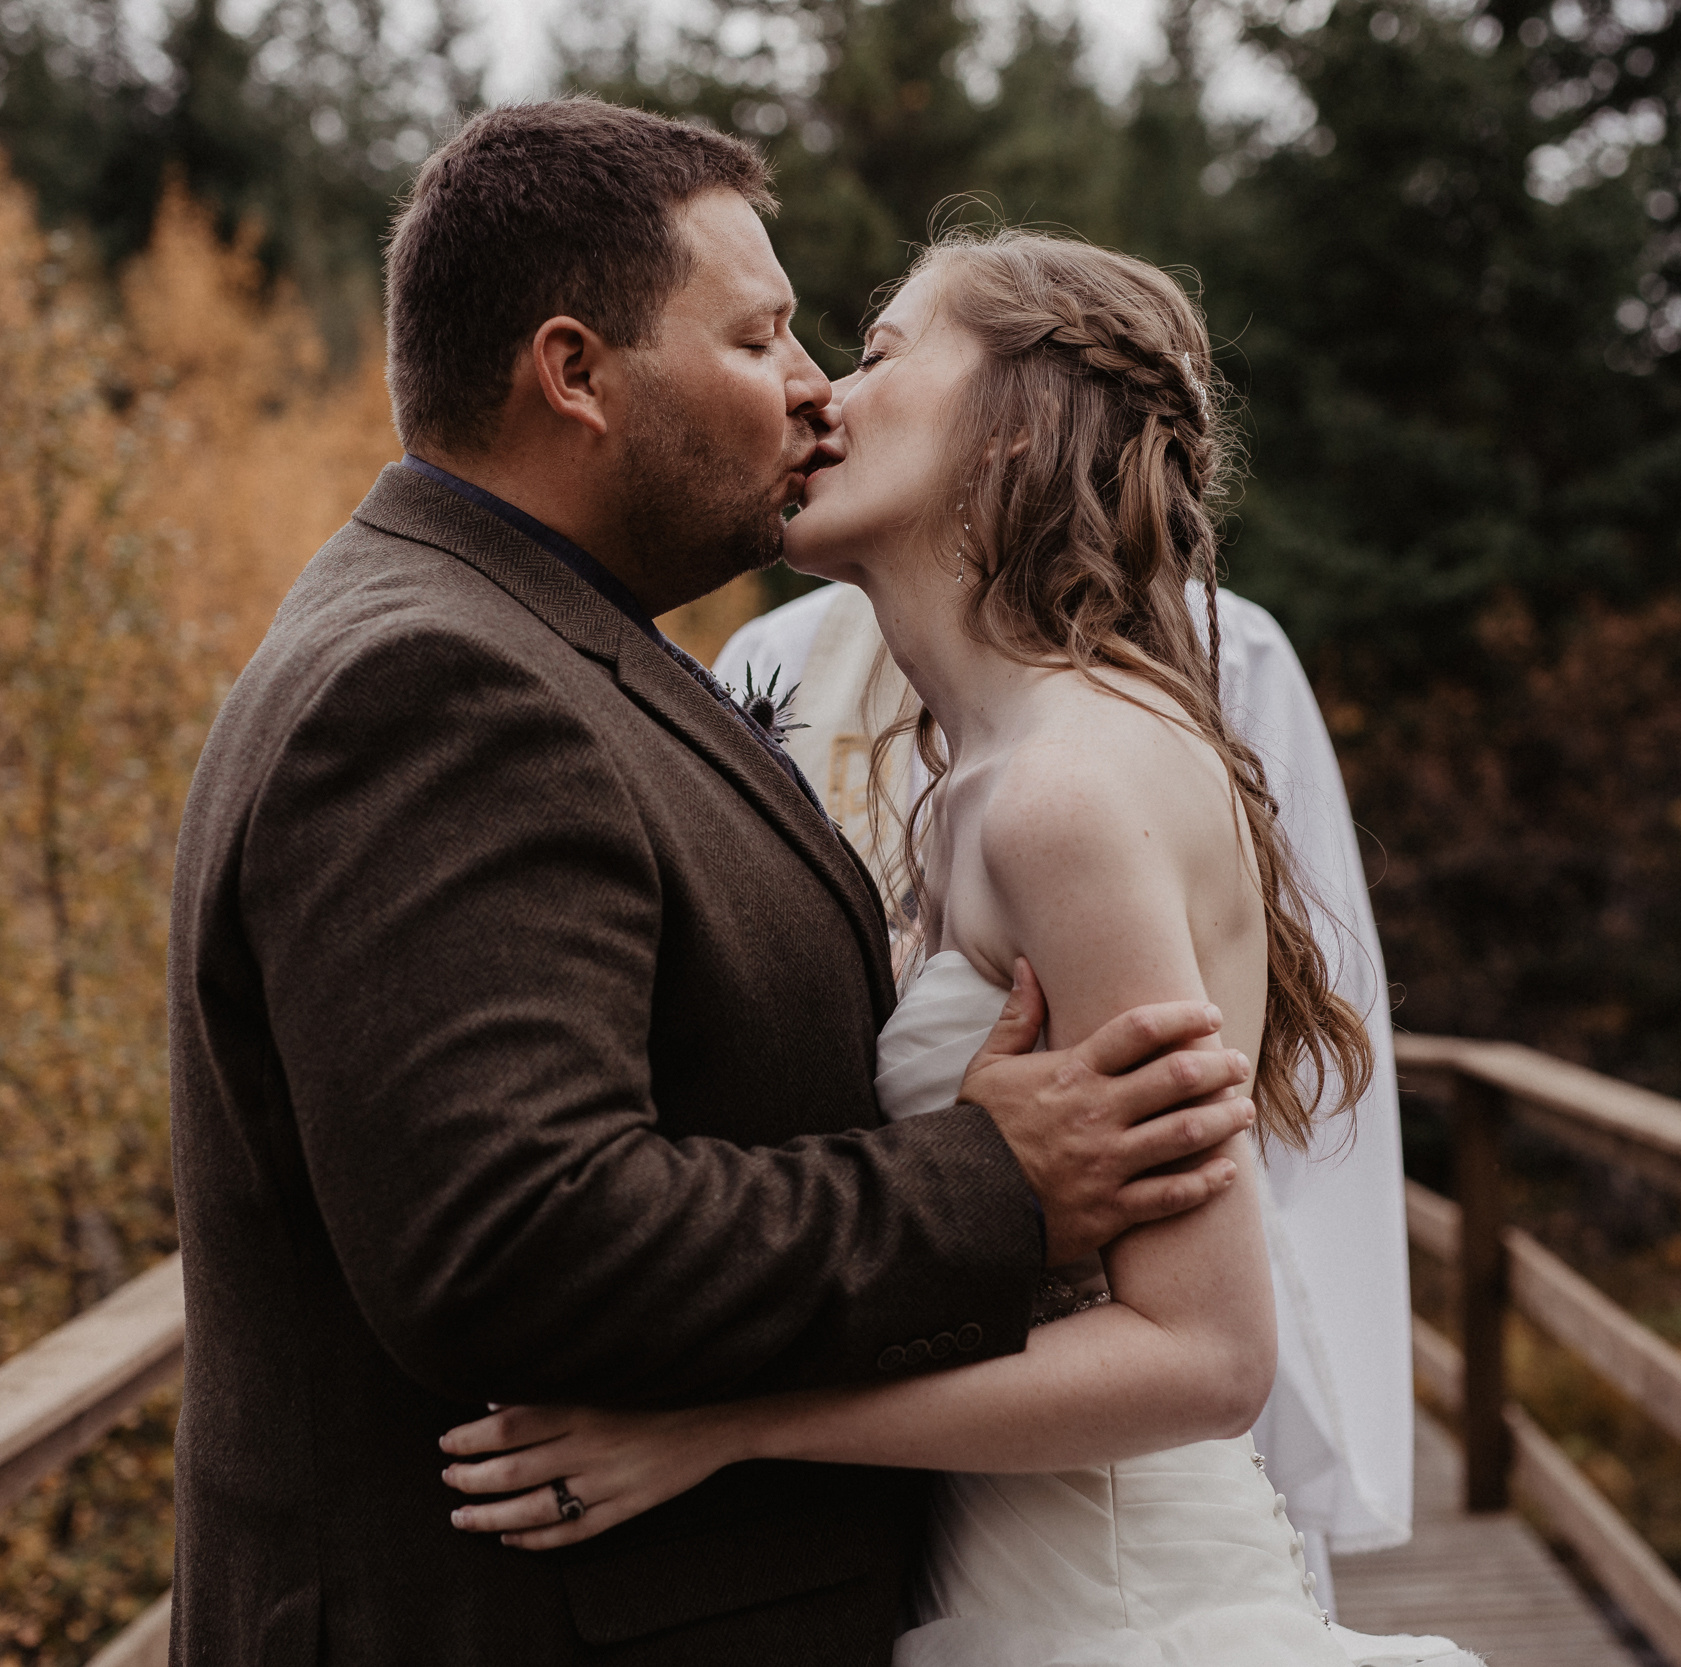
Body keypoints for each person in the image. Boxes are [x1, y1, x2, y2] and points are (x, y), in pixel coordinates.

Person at [165, 100, 1270, 1667]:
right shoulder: (434, 680)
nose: (815, 389)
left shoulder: (554, 646)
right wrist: (992, 1179)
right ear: (576, 374)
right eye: (764, 340)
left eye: (853, 348)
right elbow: (517, 1235)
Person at [440, 228, 1482, 1667]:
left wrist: (722, 1427)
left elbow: (1205, 1352)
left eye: (875, 356)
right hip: (994, 1587)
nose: (818, 398)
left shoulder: (1065, 793)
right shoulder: (982, 780)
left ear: (1012, 434)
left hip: (1116, 1612)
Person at [711, 567, 1415, 1619]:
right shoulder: (771, 653)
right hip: (907, 1421)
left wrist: (1329, 1443)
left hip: (1143, 1366)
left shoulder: (1216, 655)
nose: (822, 399)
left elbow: (1284, 1036)